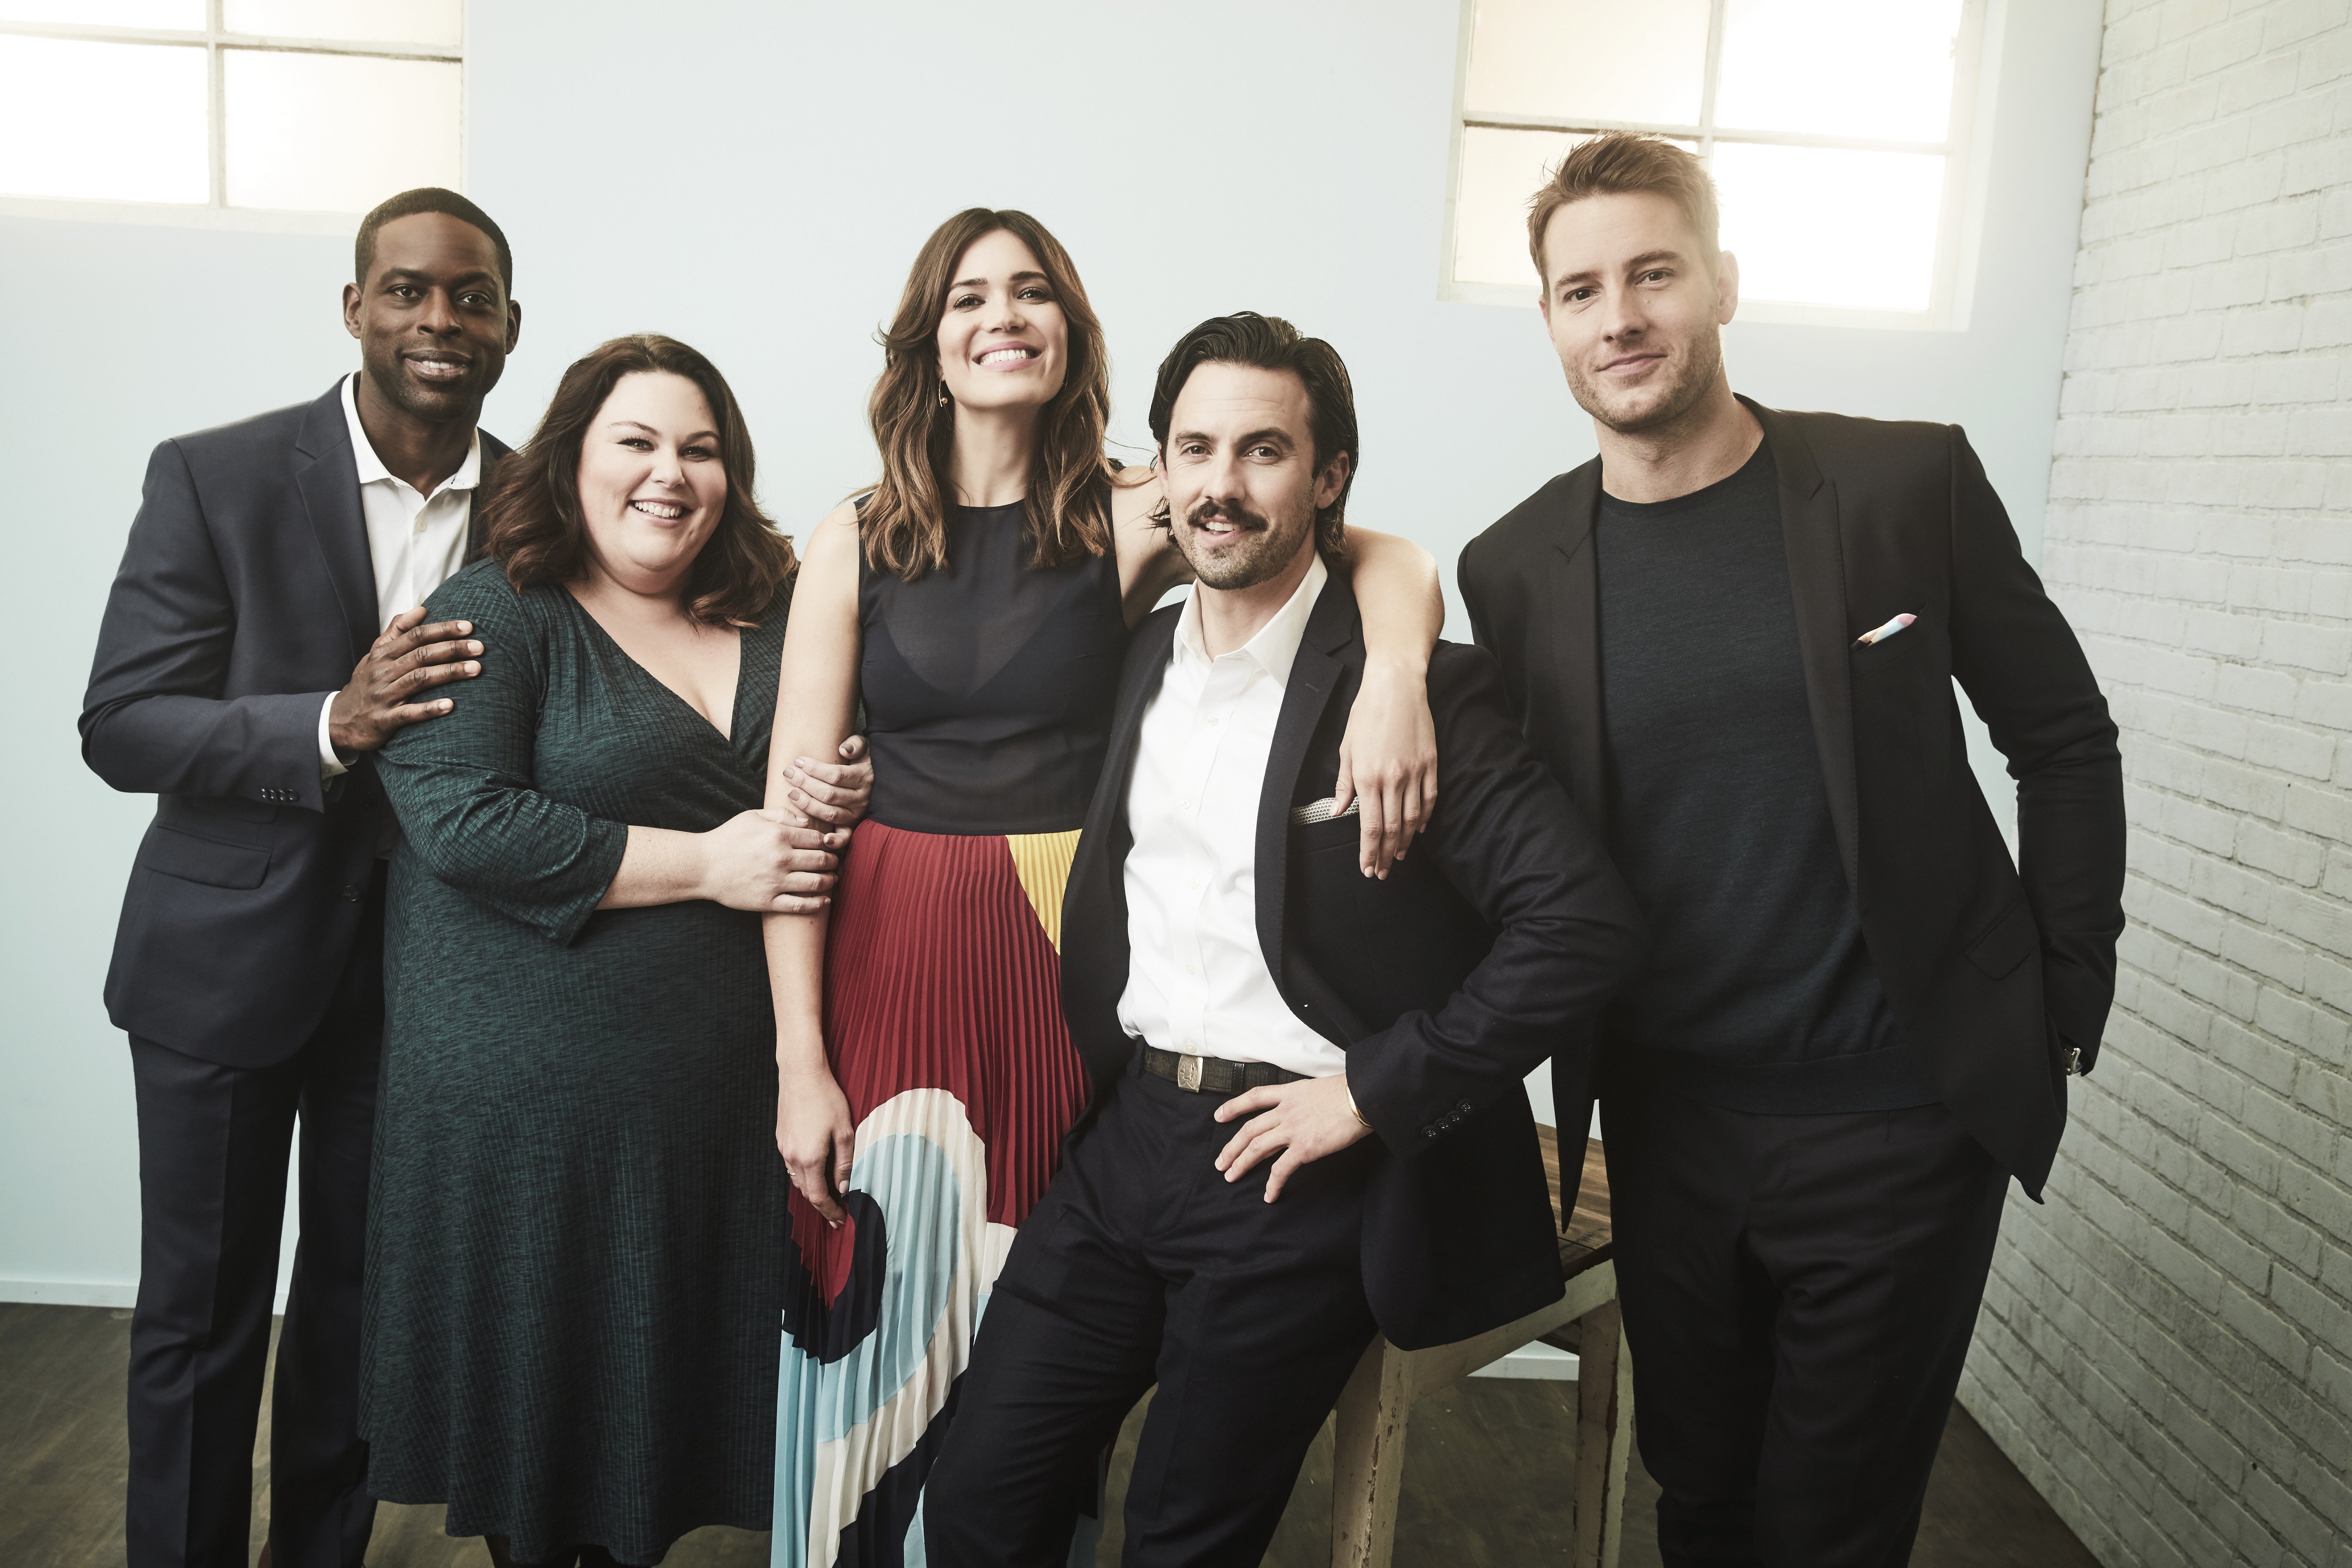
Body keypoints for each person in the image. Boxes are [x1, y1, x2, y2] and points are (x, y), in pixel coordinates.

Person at [1456, 134, 2128, 1568]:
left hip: (1901, 1115)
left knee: (1831, 1529)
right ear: (1553, 325)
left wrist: (2065, 987)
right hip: (1667, 1118)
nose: (1620, 315)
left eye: (1654, 273)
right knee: (1698, 1496)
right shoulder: (1513, 569)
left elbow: (2063, 739)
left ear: (1723, 284)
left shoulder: (1905, 486)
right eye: (1583, 290)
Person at [761, 214, 1451, 1567]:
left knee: (1029, 1320)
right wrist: (798, 1059)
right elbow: (796, 826)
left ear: (1070, 327)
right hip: (888, 947)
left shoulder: (1130, 501)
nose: (1001, 314)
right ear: (931, 338)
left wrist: (1399, 681)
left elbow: (1388, 554)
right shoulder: (855, 534)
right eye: (970, 295)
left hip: (1053, 952)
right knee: (873, 1290)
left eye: (1033, 291)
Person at [919, 311, 1644, 1565]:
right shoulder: (1139, 653)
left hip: (1298, 1164)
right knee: (981, 1496)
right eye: (1194, 448)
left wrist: (1372, 1088)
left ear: (1330, 478)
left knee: (1182, 1540)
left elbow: (1584, 926)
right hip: (1127, 1135)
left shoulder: (1408, 691)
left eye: (1263, 451)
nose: (1222, 484)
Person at [355, 335, 869, 1568]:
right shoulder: (493, 612)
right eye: (635, 442)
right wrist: (710, 862)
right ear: (572, 458)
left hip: (707, 1094)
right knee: (547, 1453)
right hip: (532, 1112)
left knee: (658, 1429)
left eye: (700, 449)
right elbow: (461, 819)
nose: (670, 474)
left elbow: (820, 766)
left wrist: (856, 777)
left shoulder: (782, 608)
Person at [81, 187, 519, 1568]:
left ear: (509, 325)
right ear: (354, 307)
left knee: (358, 1311)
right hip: (219, 973)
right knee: (200, 1313)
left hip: (424, 985)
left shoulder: (539, 504)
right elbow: (123, 722)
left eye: (469, 296)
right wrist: (328, 722)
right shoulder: (213, 474)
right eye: (406, 290)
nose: (437, 320)